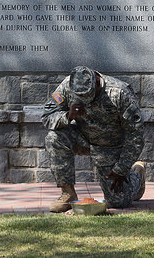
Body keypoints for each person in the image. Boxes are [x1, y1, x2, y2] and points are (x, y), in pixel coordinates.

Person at [42, 66, 146, 213]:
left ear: (97, 82)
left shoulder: (119, 93)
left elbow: (136, 135)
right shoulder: (67, 86)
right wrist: (68, 116)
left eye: (88, 95)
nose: (85, 101)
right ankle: (68, 194)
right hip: (82, 138)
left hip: (110, 147)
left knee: (119, 202)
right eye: (81, 96)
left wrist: (121, 168)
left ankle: (137, 175)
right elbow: (47, 117)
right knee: (54, 138)